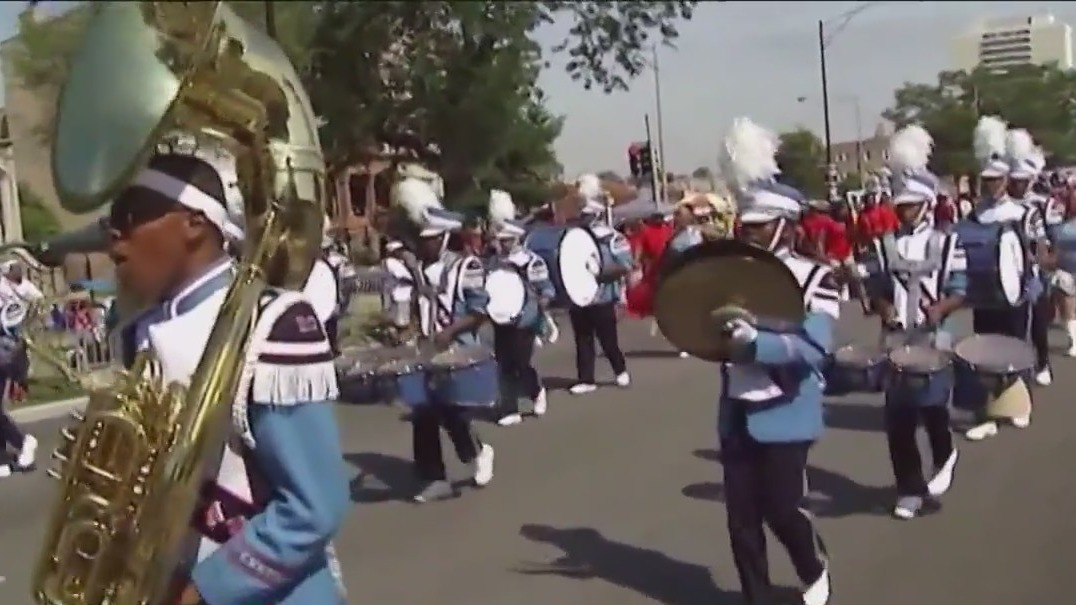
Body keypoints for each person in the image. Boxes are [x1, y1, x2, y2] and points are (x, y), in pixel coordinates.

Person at [109, 142, 349, 605]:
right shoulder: (136, 332)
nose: (115, 234)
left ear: (194, 223)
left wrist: (203, 589)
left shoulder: (272, 322)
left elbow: (314, 507)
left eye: (132, 215)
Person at [716, 117, 837, 605]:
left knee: (783, 509)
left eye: (759, 227)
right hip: (737, 407)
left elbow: (815, 350)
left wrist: (755, 345)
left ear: (784, 226)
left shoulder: (815, 279)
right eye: (746, 226)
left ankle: (812, 564)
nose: (749, 233)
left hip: (787, 408)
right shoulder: (729, 272)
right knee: (741, 519)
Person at [860, 125, 964, 519]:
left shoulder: (947, 241)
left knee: (934, 408)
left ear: (926, 203)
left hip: (932, 335)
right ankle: (909, 489)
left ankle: (945, 455)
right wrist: (879, 303)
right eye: (899, 204)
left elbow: (961, 286)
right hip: (896, 339)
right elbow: (872, 288)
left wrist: (944, 307)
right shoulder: (882, 244)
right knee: (898, 418)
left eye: (911, 204)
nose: (904, 211)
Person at [395, 177, 496, 502]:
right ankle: (434, 478)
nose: (421, 245)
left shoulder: (467, 266)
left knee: (453, 413)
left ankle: (478, 452)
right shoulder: (416, 270)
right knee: (422, 414)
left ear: (442, 238)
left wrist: (451, 331)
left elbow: (481, 311)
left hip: (457, 352)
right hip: (425, 353)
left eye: (428, 239)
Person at [955, 116, 1040, 441]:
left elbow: (1040, 251)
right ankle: (987, 413)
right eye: (987, 180)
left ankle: (1019, 404)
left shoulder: (1023, 213)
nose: (992, 185)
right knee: (985, 353)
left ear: (1006, 179)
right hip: (983, 296)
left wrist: (1031, 273)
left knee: (1017, 347)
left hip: (1016, 294)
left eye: (997, 179)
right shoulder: (973, 216)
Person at [487, 189, 553, 426]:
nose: (502, 244)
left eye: (507, 240)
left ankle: (536, 391)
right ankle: (509, 409)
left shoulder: (531, 261)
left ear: (516, 238)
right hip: (501, 320)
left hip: (525, 320)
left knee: (521, 364)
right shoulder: (494, 262)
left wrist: (540, 308)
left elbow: (546, 290)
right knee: (503, 365)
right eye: (500, 239)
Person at [567, 174, 633, 395]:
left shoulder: (612, 238)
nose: (583, 219)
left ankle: (620, 369)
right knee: (582, 339)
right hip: (579, 297)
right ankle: (586, 378)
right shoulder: (573, 238)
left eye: (587, 216)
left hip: (602, 296)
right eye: (582, 215)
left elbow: (625, 265)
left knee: (608, 340)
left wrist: (601, 272)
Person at [1005, 129, 1054, 385]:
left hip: (1032, 272)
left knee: (1038, 322)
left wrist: (1039, 259)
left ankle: (1043, 362)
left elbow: (1043, 240)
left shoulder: (1037, 205)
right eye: (1013, 180)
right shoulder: (1001, 206)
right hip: (1006, 273)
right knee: (1012, 327)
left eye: (1022, 180)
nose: (1017, 184)